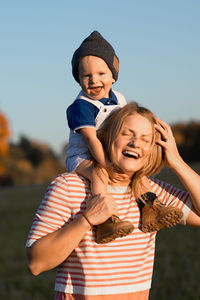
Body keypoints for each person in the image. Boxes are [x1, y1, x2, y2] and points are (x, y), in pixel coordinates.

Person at [26, 102, 200, 300]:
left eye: (145, 139)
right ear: (107, 137)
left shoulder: (150, 197)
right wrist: (86, 220)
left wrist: (177, 162)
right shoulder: (69, 186)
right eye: (127, 133)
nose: (136, 143)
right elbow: (36, 263)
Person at [66, 31, 181, 243]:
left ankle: (150, 208)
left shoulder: (118, 97)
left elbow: (130, 120)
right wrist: (107, 163)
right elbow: (91, 140)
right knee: (99, 173)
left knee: (138, 175)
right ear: (78, 79)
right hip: (83, 156)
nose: (94, 80)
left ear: (113, 75)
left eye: (101, 74)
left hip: (107, 150)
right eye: (86, 76)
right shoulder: (81, 106)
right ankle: (106, 221)